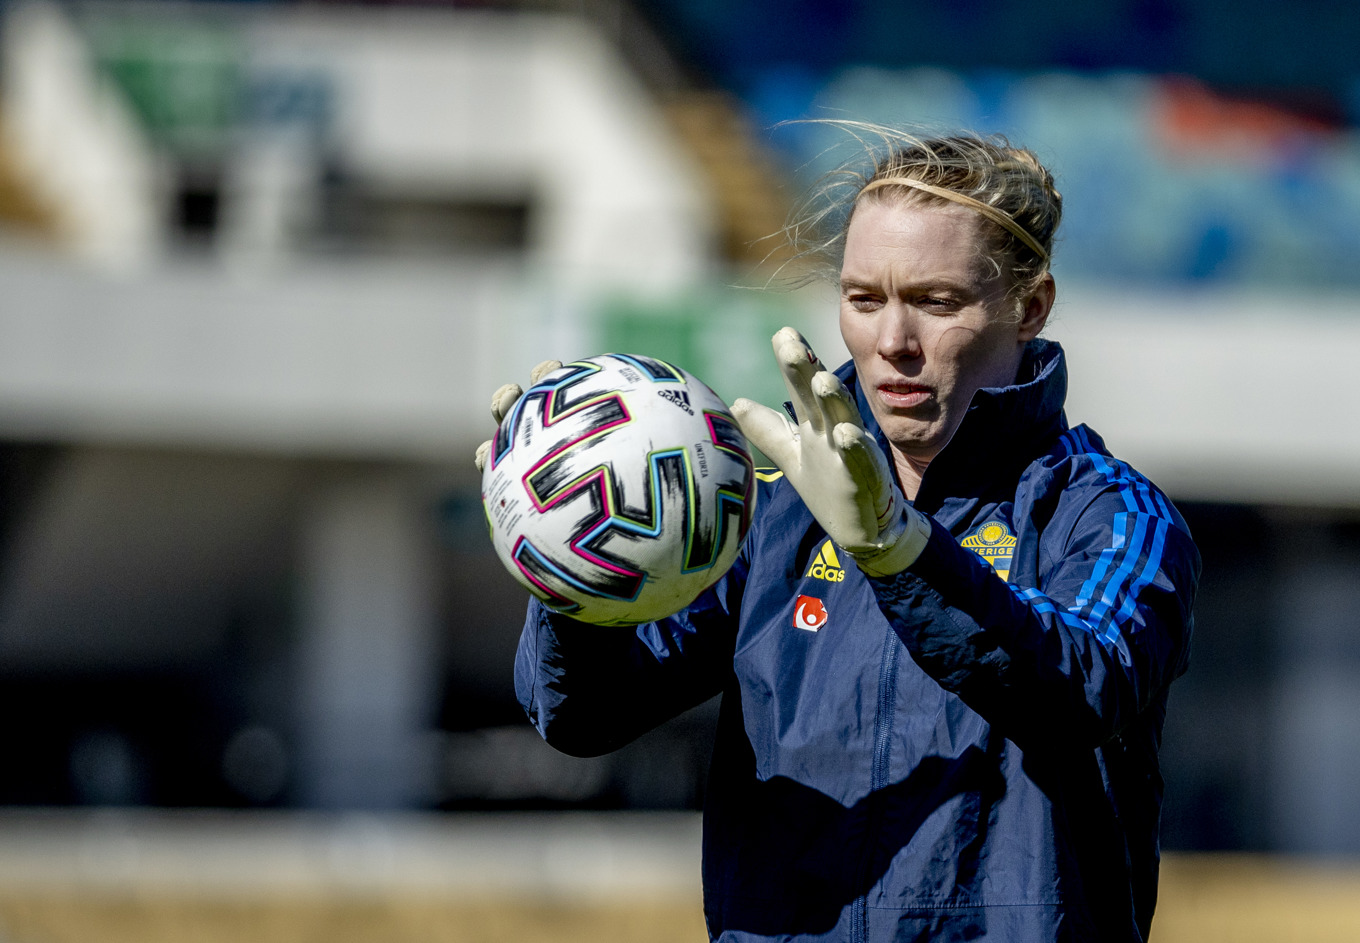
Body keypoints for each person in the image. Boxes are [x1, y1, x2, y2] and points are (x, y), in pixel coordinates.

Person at [488, 127, 1199, 942]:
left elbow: (1082, 686)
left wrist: (899, 552)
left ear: (1028, 306)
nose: (892, 341)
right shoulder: (771, 511)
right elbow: (584, 717)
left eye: (936, 301)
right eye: (864, 299)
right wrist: (572, 574)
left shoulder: (1111, 515)